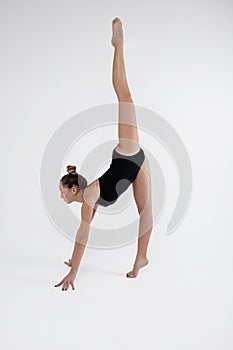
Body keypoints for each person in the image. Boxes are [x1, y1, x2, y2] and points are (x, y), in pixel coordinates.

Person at [54, 17, 153, 291]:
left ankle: (118, 44)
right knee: (146, 213)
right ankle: (141, 258)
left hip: (127, 153)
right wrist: (72, 261)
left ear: (73, 190)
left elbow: (82, 235)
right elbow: (83, 233)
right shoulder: (90, 198)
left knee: (125, 96)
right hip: (137, 167)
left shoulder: (88, 198)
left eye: (62, 191)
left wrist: (74, 272)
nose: (61, 195)